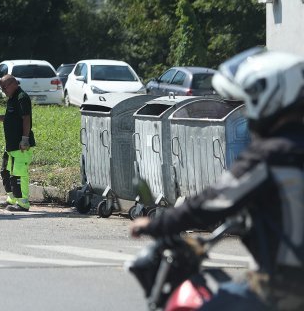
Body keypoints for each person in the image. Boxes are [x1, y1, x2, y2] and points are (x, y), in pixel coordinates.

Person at [130, 47, 304, 311]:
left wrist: (159, 224)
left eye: (250, 100)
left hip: (286, 289)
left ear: (270, 97)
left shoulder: (271, 155)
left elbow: (215, 200)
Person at [0, 74, 35, 211]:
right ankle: (12, 199)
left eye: (4, 88)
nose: (3, 91)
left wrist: (25, 139)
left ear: (13, 84)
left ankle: (23, 203)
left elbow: (26, 119)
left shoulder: (21, 97)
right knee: (5, 172)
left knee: (18, 174)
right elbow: (10, 118)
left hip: (20, 145)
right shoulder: (12, 99)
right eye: (1, 89)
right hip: (10, 145)